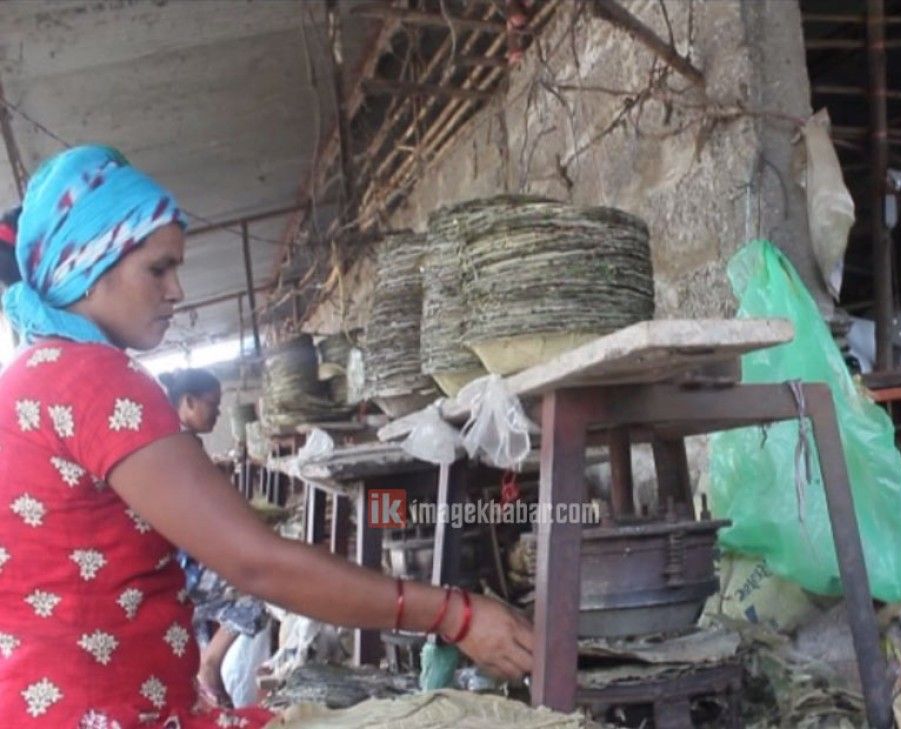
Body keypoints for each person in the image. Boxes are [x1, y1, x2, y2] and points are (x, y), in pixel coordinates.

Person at [0, 145, 533, 728]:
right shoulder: (95, 380)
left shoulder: (32, 377)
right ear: (87, 265)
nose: (177, 291)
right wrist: (454, 614)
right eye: (158, 269)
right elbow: (256, 565)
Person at [160, 368, 262, 709]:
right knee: (261, 589)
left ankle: (208, 683)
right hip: (182, 566)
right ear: (188, 402)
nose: (218, 413)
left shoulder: (180, 441)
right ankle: (210, 664)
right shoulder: (176, 445)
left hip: (183, 559)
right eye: (213, 405)